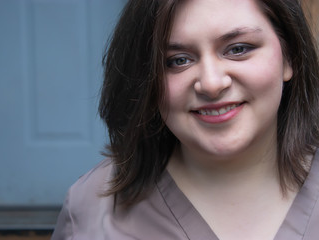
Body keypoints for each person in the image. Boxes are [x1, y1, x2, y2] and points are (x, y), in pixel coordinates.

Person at [51, 0, 319, 239]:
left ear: (289, 57)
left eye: (238, 49)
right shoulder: (90, 209)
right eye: (178, 60)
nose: (212, 84)